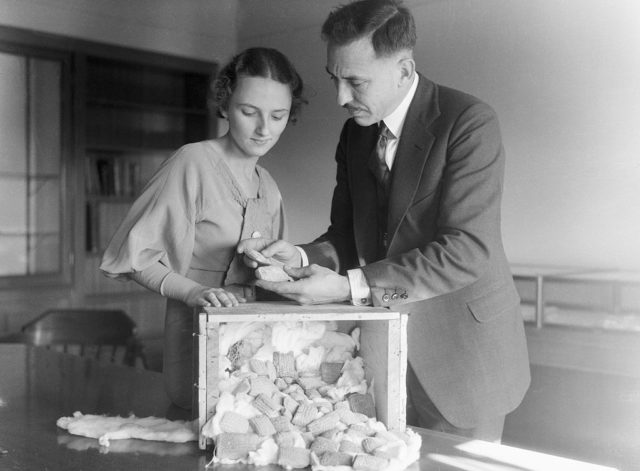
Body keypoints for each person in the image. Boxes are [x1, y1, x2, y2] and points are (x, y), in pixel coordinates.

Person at [238, 0, 530, 441]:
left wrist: (348, 288)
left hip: (463, 361)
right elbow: (344, 234)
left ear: (404, 70)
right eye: (334, 79)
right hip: (381, 358)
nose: (340, 98)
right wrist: (299, 254)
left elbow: (466, 251)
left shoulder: (469, 123)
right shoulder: (355, 133)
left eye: (355, 82)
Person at [100, 47, 306, 410]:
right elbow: (134, 259)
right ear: (225, 105)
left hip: (254, 347)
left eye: (278, 116)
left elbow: (276, 278)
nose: (264, 129)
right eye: (249, 112)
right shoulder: (192, 162)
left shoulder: (268, 184)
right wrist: (195, 292)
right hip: (195, 332)